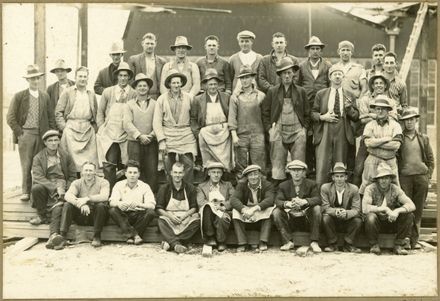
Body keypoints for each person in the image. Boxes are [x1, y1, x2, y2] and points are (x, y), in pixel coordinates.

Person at [7, 64, 56, 201]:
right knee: (26, 164)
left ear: (40, 79)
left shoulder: (45, 96)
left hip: (42, 135)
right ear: (27, 80)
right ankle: (26, 191)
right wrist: (20, 133)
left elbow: (51, 117)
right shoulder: (19, 96)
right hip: (26, 135)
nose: (35, 81)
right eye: (32, 78)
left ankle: (37, 193)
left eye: (37, 78)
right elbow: (10, 117)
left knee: (40, 164)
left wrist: (50, 135)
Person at [261, 56, 309, 184]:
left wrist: (304, 129)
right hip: (279, 131)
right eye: (284, 73)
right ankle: (278, 193)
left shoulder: (301, 91)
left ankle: (299, 192)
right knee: (277, 164)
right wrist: (270, 129)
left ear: (293, 74)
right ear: (280, 75)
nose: (287, 76)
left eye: (289, 72)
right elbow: (265, 112)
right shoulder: (273, 91)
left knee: (298, 164)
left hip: (297, 131)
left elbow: (307, 113)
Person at [311, 65, 359, 187]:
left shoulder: (350, 95)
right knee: (323, 164)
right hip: (325, 128)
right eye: (335, 74)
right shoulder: (321, 94)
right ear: (330, 77)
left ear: (343, 77)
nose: (337, 76)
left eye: (340, 74)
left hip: (342, 128)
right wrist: (323, 117)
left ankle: (339, 195)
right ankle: (321, 196)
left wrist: (348, 109)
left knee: (339, 164)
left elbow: (356, 116)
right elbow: (313, 113)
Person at [96, 62, 136, 189]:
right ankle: (109, 194)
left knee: (125, 164)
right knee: (109, 164)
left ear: (129, 77)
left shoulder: (134, 93)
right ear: (117, 76)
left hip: (126, 134)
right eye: (121, 75)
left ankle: (124, 194)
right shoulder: (108, 92)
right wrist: (102, 128)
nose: (123, 78)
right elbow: (100, 112)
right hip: (110, 134)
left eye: (126, 75)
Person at [398, 108, 434, 249]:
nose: (409, 123)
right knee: (407, 208)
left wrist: (427, 176)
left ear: (416, 121)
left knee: (418, 210)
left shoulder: (423, 138)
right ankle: (406, 238)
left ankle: (414, 240)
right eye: (407, 120)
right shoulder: (400, 138)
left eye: (412, 119)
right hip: (405, 178)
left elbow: (431, 160)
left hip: (421, 178)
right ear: (404, 122)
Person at [363, 162, 416, 255]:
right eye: (381, 178)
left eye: (386, 178)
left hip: (392, 222)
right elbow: (365, 208)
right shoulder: (370, 189)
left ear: (391, 179)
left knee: (409, 215)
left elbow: (412, 205)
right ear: (378, 180)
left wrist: (396, 211)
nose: (384, 181)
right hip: (377, 224)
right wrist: (385, 209)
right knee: (370, 217)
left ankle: (398, 245)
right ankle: (374, 245)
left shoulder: (395, 189)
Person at [154, 70, 197, 183]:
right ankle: (171, 191)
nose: (176, 85)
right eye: (173, 83)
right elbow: (157, 122)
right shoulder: (161, 99)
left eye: (178, 82)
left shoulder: (190, 98)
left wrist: (194, 132)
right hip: (168, 135)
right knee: (169, 166)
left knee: (188, 165)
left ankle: (187, 190)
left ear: (182, 83)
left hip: (186, 134)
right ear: (169, 84)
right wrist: (161, 140)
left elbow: (195, 117)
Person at [297, 36, 331, 173]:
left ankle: (320, 168)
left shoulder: (328, 66)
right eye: (312, 49)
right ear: (308, 51)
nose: (315, 51)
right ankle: (308, 168)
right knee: (307, 138)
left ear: (321, 51)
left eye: (317, 49)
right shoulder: (301, 66)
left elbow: (330, 85)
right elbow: (298, 86)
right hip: (306, 107)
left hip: (322, 107)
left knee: (321, 137)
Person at [272, 160, 322, 253]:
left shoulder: (311, 184)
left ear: (304, 172)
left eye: (299, 170)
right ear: (289, 172)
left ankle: (314, 241)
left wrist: (305, 201)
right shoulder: (283, 185)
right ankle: (287, 241)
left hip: (306, 218)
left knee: (317, 208)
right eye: (293, 170)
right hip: (290, 218)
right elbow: (277, 200)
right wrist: (288, 203)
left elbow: (318, 199)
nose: (296, 173)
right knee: (276, 212)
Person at [353, 74, 394, 186]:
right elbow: (362, 119)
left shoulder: (391, 101)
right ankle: (356, 198)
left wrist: (371, 115)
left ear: (385, 85)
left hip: (386, 137)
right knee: (359, 168)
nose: (378, 85)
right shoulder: (365, 99)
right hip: (368, 136)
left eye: (381, 83)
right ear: (372, 85)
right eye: (376, 83)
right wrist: (379, 116)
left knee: (387, 169)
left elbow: (394, 118)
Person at [55, 66, 99, 173]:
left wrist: (94, 128)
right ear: (75, 77)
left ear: (87, 78)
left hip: (87, 130)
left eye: (85, 76)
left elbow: (96, 113)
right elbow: (58, 112)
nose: (83, 79)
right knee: (71, 162)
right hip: (71, 130)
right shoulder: (68, 92)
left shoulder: (91, 94)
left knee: (89, 162)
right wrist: (64, 128)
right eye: (80, 76)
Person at [29, 130, 76, 228]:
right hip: (47, 184)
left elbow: (72, 175)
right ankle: (42, 216)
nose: (53, 143)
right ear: (45, 143)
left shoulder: (66, 156)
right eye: (50, 141)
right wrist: (54, 187)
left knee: (66, 200)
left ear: (59, 141)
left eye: (56, 140)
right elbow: (38, 177)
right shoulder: (38, 158)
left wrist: (66, 187)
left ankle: (65, 219)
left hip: (63, 183)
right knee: (36, 188)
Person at [191, 69, 233, 171]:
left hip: (224, 133)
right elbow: (193, 118)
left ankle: (226, 177)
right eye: (210, 84)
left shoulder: (226, 97)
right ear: (205, 85)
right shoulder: (198, 99)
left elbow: (232, 115)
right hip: (207, 134)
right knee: (209, 162)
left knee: (225, 162)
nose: (213, 87)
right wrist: (199, 133)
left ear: (218, 85)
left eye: (215, 84)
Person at [123, 73, 159, 192]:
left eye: (145, 85)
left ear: (148, 88)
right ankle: (135, 197)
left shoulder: (155, 104)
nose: (142, 88)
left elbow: (159, 121)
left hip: (151, 142)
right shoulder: (129, 105)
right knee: (134, 170)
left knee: (151, 171)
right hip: (134, 143)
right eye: (139, 86)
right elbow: (127, 123)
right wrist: (139, 136)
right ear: (135, 88)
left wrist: (152, 135)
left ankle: (151, 199)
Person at [228, 65, 266, 177]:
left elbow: (265, 116)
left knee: (259, 165)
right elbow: (232, 117)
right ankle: (242, 189)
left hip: (257, 134)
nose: (245, 80)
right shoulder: (235, 97)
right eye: (242, 78)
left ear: (252, 78)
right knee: (241, 166)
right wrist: (234, 135)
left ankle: (260, 190)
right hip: (241, 135)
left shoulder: (260, 96)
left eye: (247, 77)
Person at [359, 96, 402, 195]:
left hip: (390, 159)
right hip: (373, 159)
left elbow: (396, 145)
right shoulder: (369, 125)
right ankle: (364, 209)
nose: (380, 111)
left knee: (394, 186)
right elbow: (368, 143)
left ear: (388, 110)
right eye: (378, 108)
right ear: (375, 110)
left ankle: (392, 209)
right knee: (367, 185)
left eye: (383, 108)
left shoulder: (395, 125)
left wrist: (376, 143)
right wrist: (386, 139)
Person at [62, 161, 110, 248]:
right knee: (67, 205)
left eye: (91, 170)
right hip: (82, 215)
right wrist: (81, 205)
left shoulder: (103, 182)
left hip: (97, 217)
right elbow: (67, 195)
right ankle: (62, 235)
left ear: (95, 172)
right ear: (82, 172)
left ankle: (97, 236)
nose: (88, 173)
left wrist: (87, 199)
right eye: (86, 170)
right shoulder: (77, 183)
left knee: (101, 206)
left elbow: (105, 196)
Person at [109, 160, 156, 245]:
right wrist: (119, 204)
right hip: (124, 215)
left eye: (135, 173)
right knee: (113, 210)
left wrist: (139, 204)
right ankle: (135, 235)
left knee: (151, 213)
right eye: (130, 172)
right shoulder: (118, 185)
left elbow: (152, 206)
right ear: (125, 173)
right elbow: (112, 202)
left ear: (139, 174)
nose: (132, 175)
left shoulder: (145, 186)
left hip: (139, 215)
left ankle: (130, 236)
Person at [156, 162, 200, 254]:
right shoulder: (164, 188)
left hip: (185, 216)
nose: (177, 175)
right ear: (171, 173)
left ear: (183, 173)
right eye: (175, 172)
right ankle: (176, 244)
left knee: (197, 221)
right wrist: (170, 216)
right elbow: (159, 208)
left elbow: (194, 207)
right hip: (170, 216)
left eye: (180, 173)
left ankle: (170, 242)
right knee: (161, 221)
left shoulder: (190, 188)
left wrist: (184, 216)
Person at [230, 165, 275, 252]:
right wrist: (243, 210)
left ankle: (263, 241)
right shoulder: (241, 185)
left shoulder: (267, 185)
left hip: (260, 210)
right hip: (246, 212)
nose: (253, 177)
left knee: (270, 210)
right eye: (250, 175)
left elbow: (270, 200)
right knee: (235, 211)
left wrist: (254, 209)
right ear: (247, 177)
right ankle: (242, 242)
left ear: (260, 175)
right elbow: (233, 199)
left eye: (255, 174)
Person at [321, 162, 362, 253]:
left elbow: (356, 209)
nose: (339, 179)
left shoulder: (354, 189)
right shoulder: (325, 188)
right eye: (337, 176)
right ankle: (332, 244)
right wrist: (336, 211)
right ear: (333, 178)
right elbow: (325, 207)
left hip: (347, 220)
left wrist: (346, 213)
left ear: (346, 177)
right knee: (325, 218)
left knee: (358, 220)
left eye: (342, 176)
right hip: (333, 220)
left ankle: (348, 245)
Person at [197, 162, 235, 251]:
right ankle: (210, 237)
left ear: (222, 174)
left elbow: (234, 198)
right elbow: (200, 202)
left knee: (221, 217)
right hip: (208, 212)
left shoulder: (227, 185)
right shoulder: (201, 187)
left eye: (218, 172)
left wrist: (223, 206)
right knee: (207, 208)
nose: (216, 175)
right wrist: (213, 206)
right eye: (213, 172)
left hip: (223, 210)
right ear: (209, 173)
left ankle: (221, 241)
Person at [128, 32, 167, 100]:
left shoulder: (162, 62)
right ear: (142, 44)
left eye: (152, 44)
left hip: (157, 97)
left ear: (155, 44)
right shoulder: (134, 60)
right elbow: (130, 80)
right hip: (139, 97)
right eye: (147, 43)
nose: (149, 46)